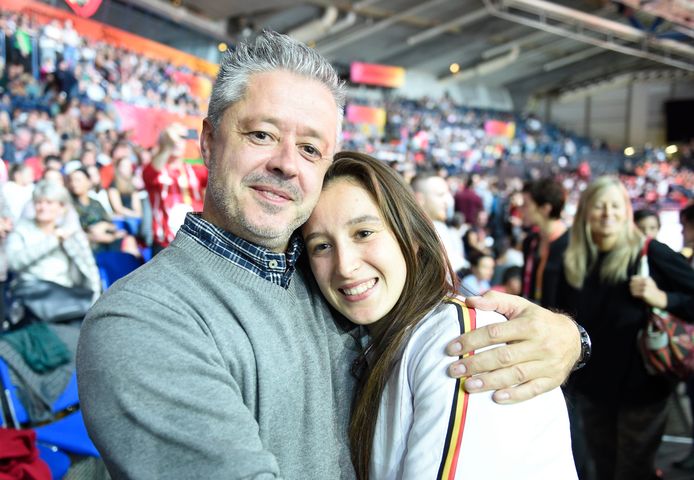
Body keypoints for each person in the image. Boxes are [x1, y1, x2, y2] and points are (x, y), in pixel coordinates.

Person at [77, 31, 585, 478]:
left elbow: (427, 317)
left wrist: (569, 338)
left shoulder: (329, 279)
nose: (285, 165)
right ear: (208, 142)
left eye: (310, 149)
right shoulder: (142, 318)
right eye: (261, 134)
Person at [302, 152, 576, 479]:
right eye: (321, 246)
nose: (345, 266)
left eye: (363, 233)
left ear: (413, 236)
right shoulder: (380, 338)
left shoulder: (462, 343)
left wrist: (575, 338)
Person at [560, 176, 694, 480]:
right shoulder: (576, 259)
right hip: (593, 389)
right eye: (600, 206)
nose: (608, 213)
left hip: (642, 389)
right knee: (603, 467)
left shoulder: (650, 252)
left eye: (616, 206)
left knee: (634, 471)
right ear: (585, 212)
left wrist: (663, 297)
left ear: (627, 211)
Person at [142, 122, 207, 254]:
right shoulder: (155, 170)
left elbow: (216, 175)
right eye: (173, 138)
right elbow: (151, 173)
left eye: (182, 138)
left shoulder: (194, 171)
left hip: (194, 243)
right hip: (165, 245)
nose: (177, 142)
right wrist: (167, 146)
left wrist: (200, 147)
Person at [520, 177, 569, 309]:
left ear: (545, 208)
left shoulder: (570, 246)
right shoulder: (530, 242)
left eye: (526, 205)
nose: (520, 209)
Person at [411, 171, 467, 273]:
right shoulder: (413, 234)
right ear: (419, 198)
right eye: (440, 195)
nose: (448, 201)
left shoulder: (440, 227)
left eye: (448, 194)